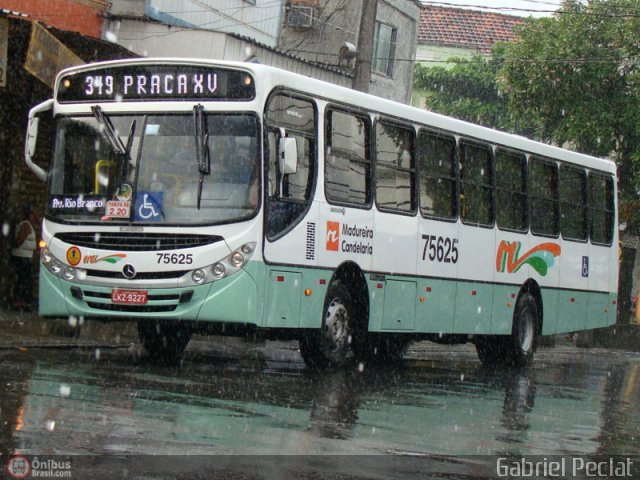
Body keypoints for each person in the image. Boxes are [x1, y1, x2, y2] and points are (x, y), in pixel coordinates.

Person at [11, 205, 39, 311]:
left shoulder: (27, 224)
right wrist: (18, 244)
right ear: (30, 214)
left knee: (23, 280)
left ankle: (21, 302)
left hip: (24, 257)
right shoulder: (26, 225)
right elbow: (19, 239)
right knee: (23, 280)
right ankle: (19, 303)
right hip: (22, 257)